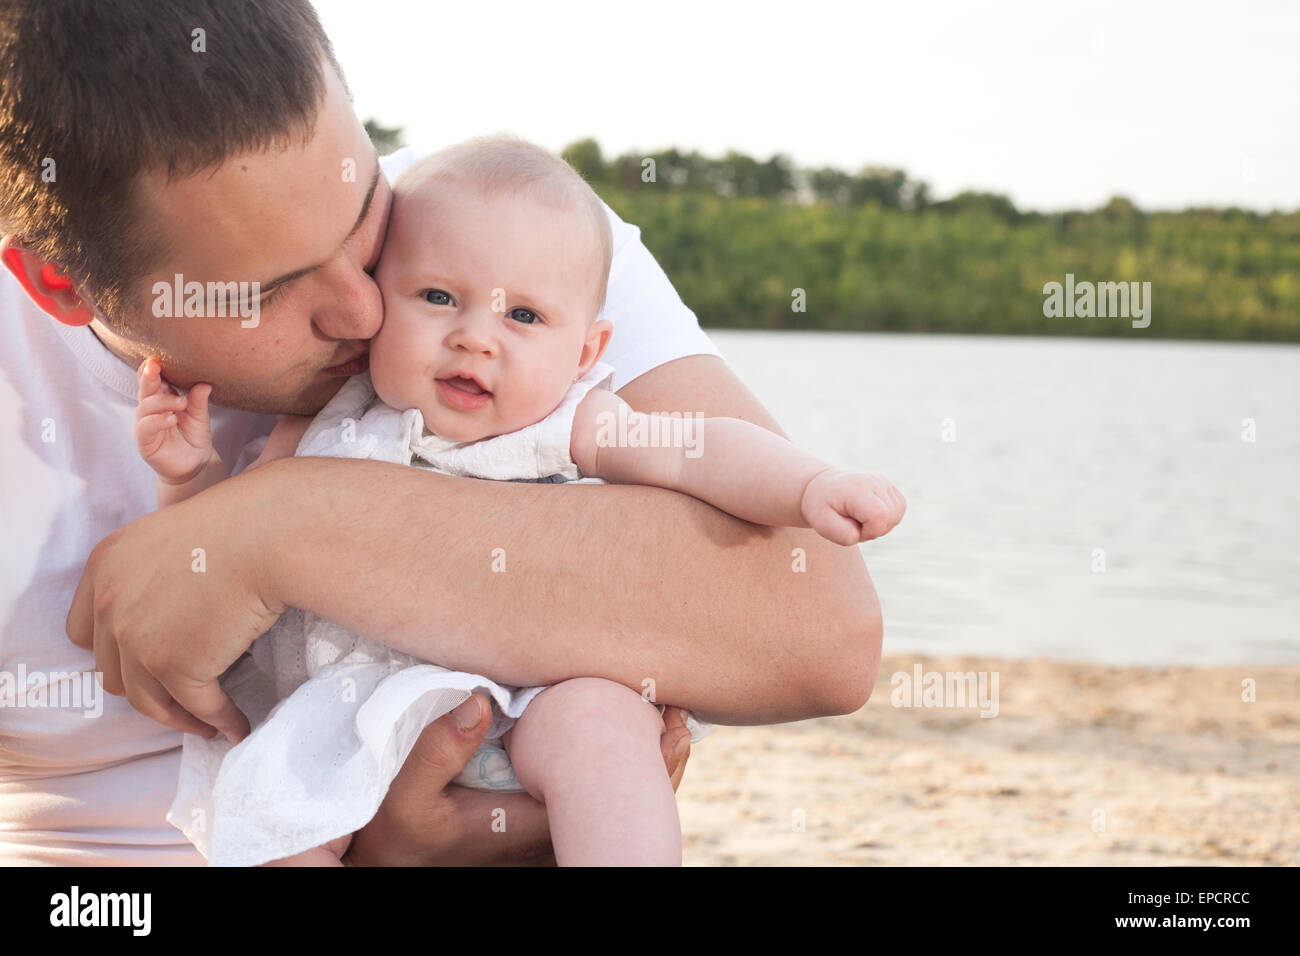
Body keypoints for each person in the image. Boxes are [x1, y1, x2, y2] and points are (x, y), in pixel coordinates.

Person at [0, 0, 885, 866]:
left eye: (362, 218)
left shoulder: (502, 233)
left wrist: (281, 526)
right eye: (268, 291)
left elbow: (821, 632)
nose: (364, 304)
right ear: (57, 284)